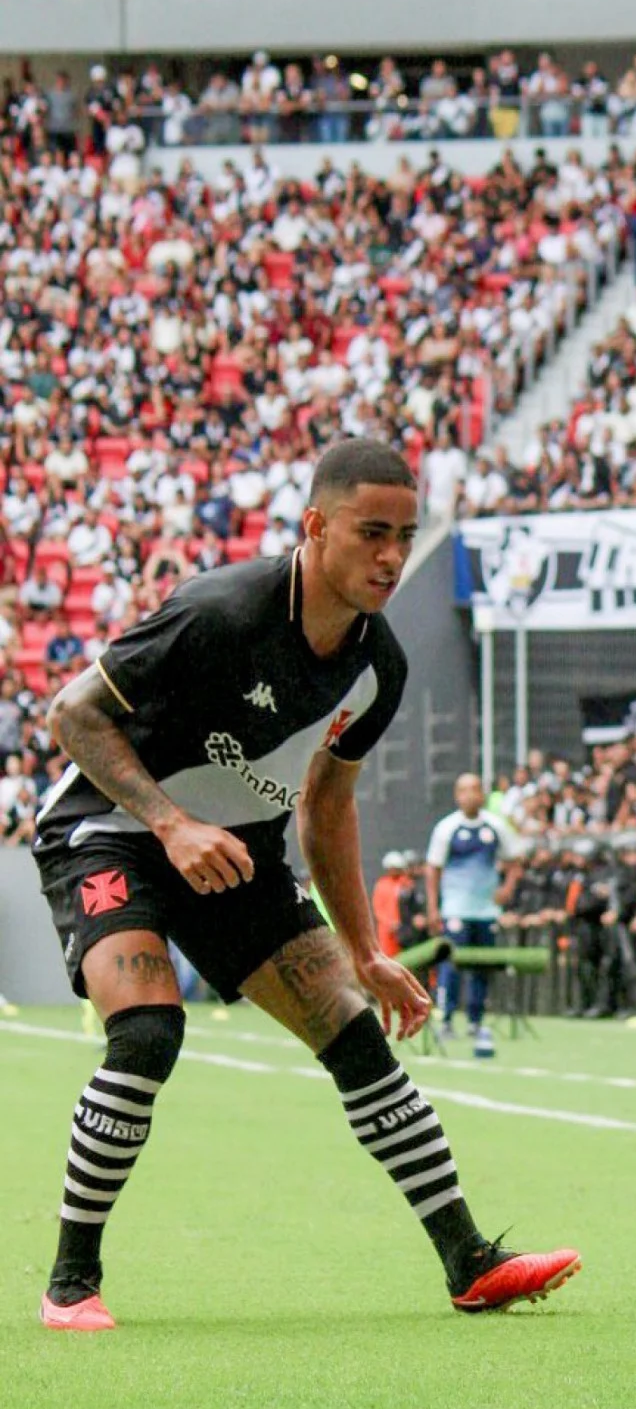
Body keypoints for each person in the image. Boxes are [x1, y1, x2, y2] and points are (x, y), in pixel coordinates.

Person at [31, 439, 579, 1331]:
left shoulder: (379, 666)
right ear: (316, 527)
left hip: (239, 857)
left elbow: (327, 807)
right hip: (111, 835)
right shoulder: (218, 611)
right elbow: (71, 714)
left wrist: (365, 950)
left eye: (405, 536)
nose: (393, 557)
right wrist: (169, 822)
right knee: (147, 1034)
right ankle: (71, 1283)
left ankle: (469, 1263)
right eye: (371, 533)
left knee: (355, 1035)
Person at [425, 771, 520, 1049]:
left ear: (483, 794)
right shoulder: (447, 828)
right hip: (455, 909)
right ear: (457, 795)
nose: (470, 795)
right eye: (465, 790)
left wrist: (508, 888)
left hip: (486, 910)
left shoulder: (496, 826)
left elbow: (516, 859)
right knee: (451, 964)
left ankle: (476, 1021)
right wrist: (433, 907)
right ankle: (446, 1019)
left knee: (482, 965)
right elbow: (433, 869)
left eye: (475, 790)